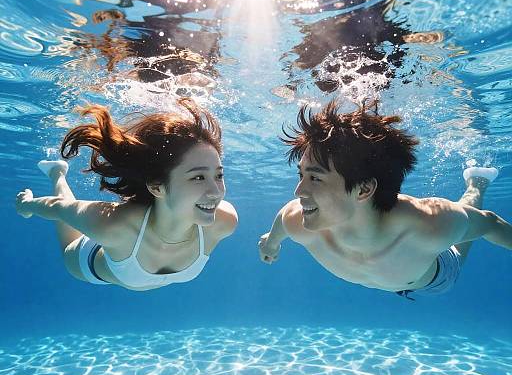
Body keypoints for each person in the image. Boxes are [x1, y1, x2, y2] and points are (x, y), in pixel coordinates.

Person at [258, 100, 511, 299]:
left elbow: (489, 223)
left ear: (364, 189)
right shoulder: (297, 220)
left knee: (461, 236)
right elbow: (282, 219)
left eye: (315, 179)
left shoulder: (431, 226)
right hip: (398, 277)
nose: (298, 191)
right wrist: (271, 242)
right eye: (301, 175)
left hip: (437, 279)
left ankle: (477, 183)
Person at [16, 98, 238, 291]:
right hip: (92, 263)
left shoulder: (224, 221)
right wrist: (26, 205)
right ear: (157, 187)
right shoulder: (114, 227)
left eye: (219, 175)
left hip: (126, 261)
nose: (216, 191)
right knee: (68, 247)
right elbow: (58, 208)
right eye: (198, 177)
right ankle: (58, 174)